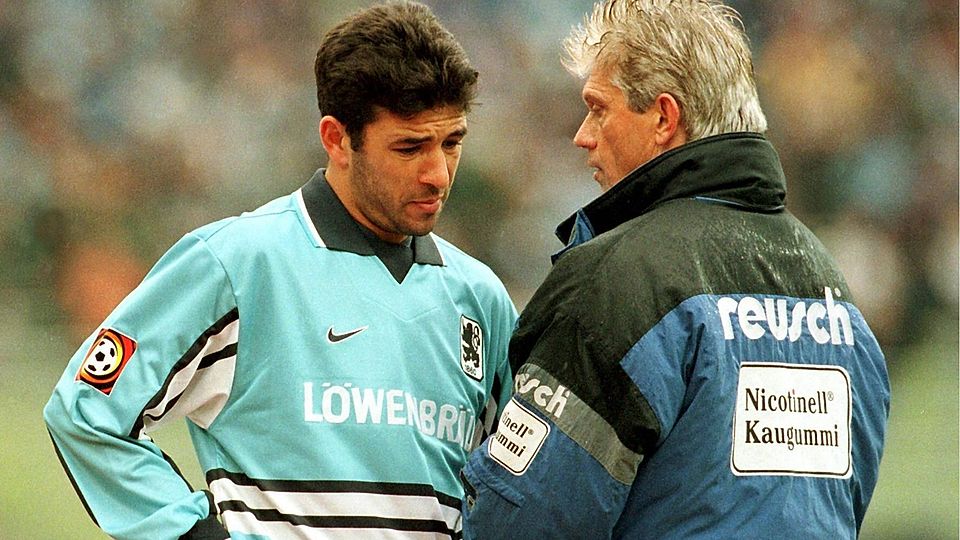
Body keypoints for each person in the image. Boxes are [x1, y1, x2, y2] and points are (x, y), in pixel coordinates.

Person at [44, 2, 517, 538]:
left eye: (451, 142)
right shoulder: (237, 263)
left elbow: (515, 488)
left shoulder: (482, 299)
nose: (437, 173)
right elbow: (86, 411)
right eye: (409, 147)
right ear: (337, 139)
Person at [460, 0, 889, 538]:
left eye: (598, 108)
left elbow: (522, 517)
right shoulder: (832, 290)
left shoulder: (620, 279)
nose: (582, 135)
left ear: (664, 118)